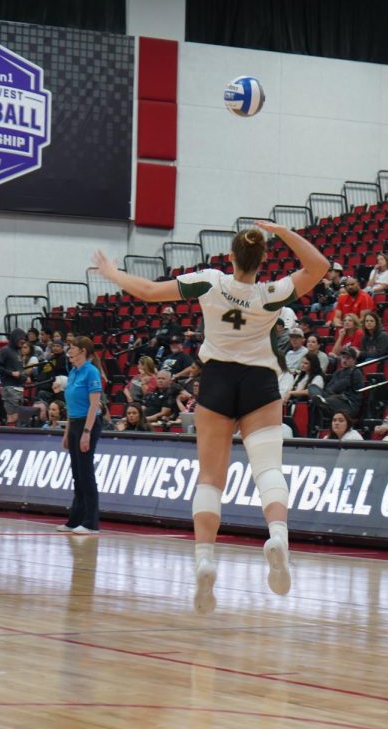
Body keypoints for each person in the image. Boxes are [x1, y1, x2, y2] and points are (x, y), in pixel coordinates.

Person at [92, 219, 327, 614]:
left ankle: (204, 560)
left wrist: (113, 272)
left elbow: (149, 292)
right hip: (259, 382)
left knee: (211, 478)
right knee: (268, 470)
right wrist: (283, 233)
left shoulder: (210, 282)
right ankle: (279, 538)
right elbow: (319, 266)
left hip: (217, 378)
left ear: (232, 257)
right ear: (263, 259)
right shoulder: (271, 294)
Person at [53, 336, 105, 534]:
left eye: (72, 347)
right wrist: (67, 432)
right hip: (74, 423)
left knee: (86, 473)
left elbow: (94, 405)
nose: (69, 350)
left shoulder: (91, 372)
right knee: (76, 474)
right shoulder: (73, 371)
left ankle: (91, 523)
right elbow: (71, 407)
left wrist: (86, 432)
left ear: (83, 350)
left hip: (88, 423)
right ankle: (75, 520)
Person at [309, 347, 364, 432]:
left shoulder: (355, 372)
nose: (344, 360)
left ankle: (321, 401)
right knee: (312, 386)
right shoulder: (338, 372)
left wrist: (330, 393)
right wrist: (329, 393)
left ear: (354, 360)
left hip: (348, 403)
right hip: (334, 399)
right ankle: (320, 400)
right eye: (343, 357)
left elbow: (338, 388)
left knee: (317, 401)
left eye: (348, 358)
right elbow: (329, 388)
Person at [0, 331, 27, 425]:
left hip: (18, 388)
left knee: (17, 417)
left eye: (24, 338)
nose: (23, 341)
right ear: (15, 338)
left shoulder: (18, 351)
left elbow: (17, 369)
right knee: (13, 417)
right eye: (21, 338)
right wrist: (11, 373)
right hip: (10, 388)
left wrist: (24, 376)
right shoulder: (5, 350)